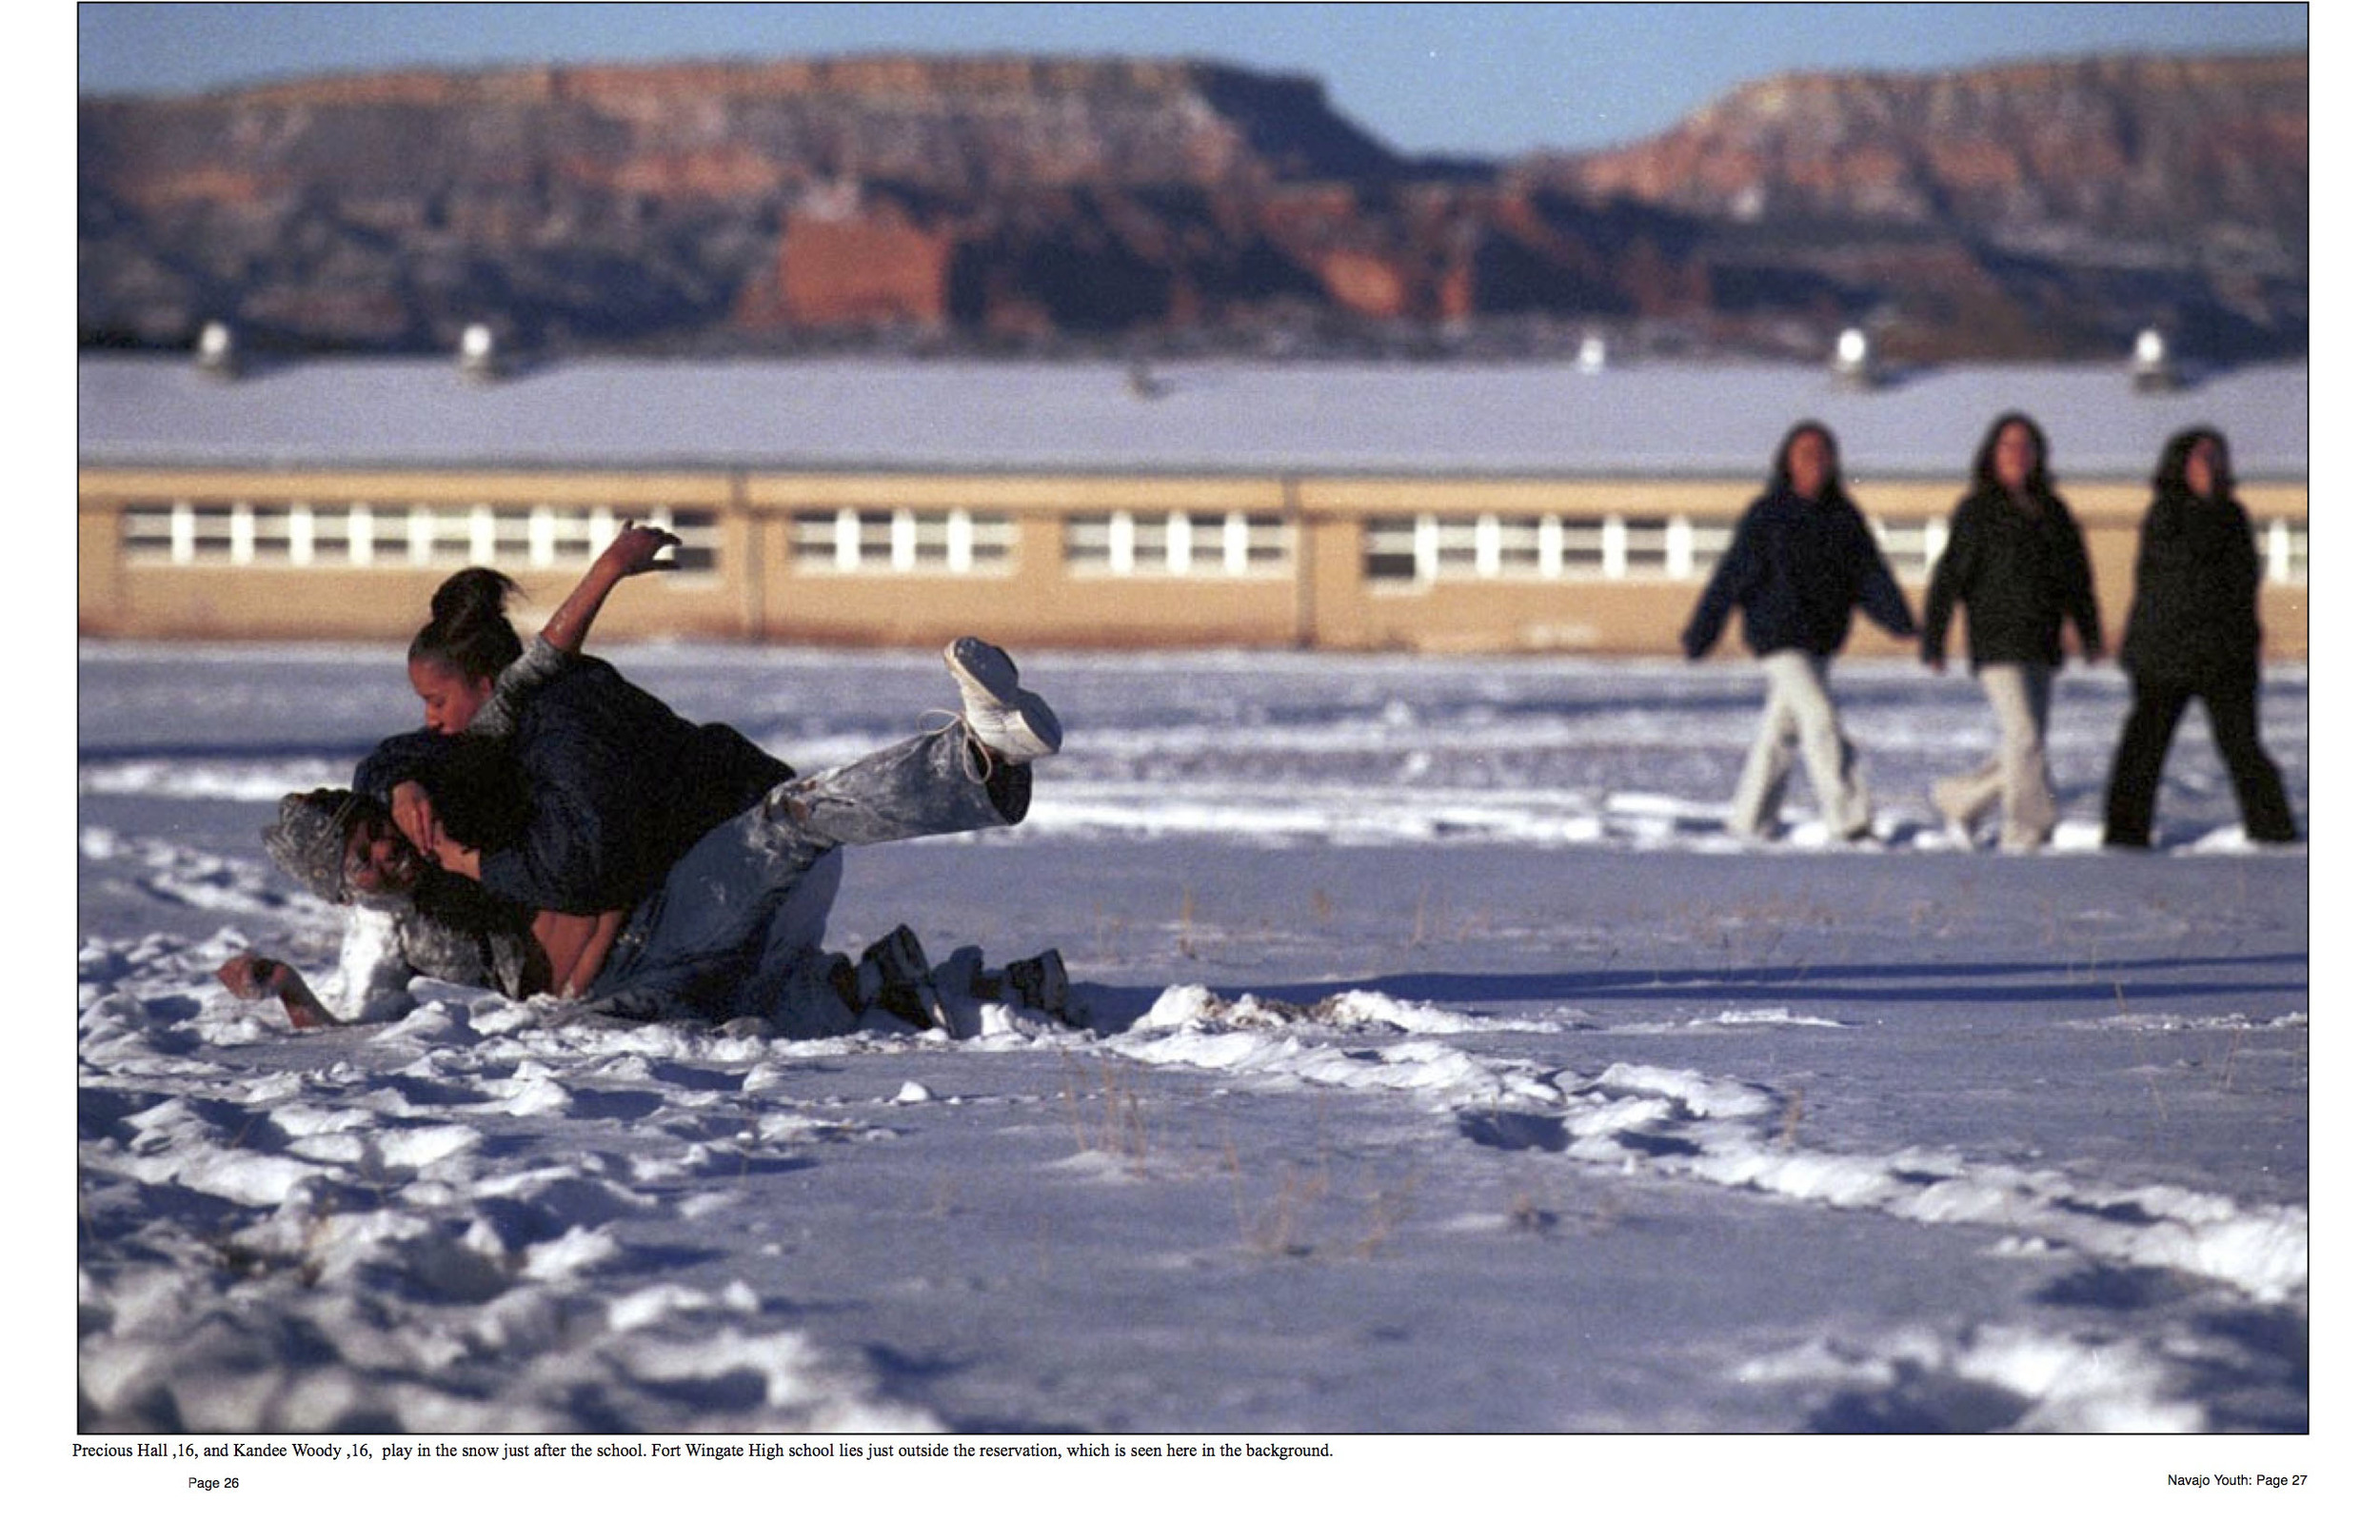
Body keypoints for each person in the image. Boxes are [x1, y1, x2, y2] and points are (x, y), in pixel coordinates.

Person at [1682, 421, 1916, 841]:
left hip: (1821, 640)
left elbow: (1870, 577)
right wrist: (1702, 632)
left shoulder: (1844, 518)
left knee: (1780, 733)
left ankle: (1749, 822)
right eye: (1804, 454)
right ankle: (1850, 822)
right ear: (1787, 462)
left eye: (1822, 454)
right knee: (1820, 719)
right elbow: (1730, 576)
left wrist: (1902, 623)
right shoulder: (1766, 516)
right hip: (1777, 639)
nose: (1814, 462)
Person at [2101, 428, 2298, 848]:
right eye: (2199, 458)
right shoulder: (2166, 515)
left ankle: (2274, 833)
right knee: (2144, 749)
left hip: (2226, 657)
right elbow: (2181, 575)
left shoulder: (2234, 515)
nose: (2209, 466)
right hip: (2165, 655)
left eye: (2216, 457)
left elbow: (2243, 581)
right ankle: (2124, 836)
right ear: (2180, 464)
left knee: (2243, 748)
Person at [1920, 412, 2104, 851]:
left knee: (2026, 746)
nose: (2018, 455)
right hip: (1996, 642)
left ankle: (1957, 799)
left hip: (2041, 642)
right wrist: (1935, 638)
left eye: (2026, 446)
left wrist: (2090, 634)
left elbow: (2077, 579)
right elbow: (1949, 578)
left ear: (2039, 456)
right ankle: (2025, 831)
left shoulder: (2054, 512)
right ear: (1991, 454)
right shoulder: (1977, 511)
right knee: (2024, 737)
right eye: (2008, 446)